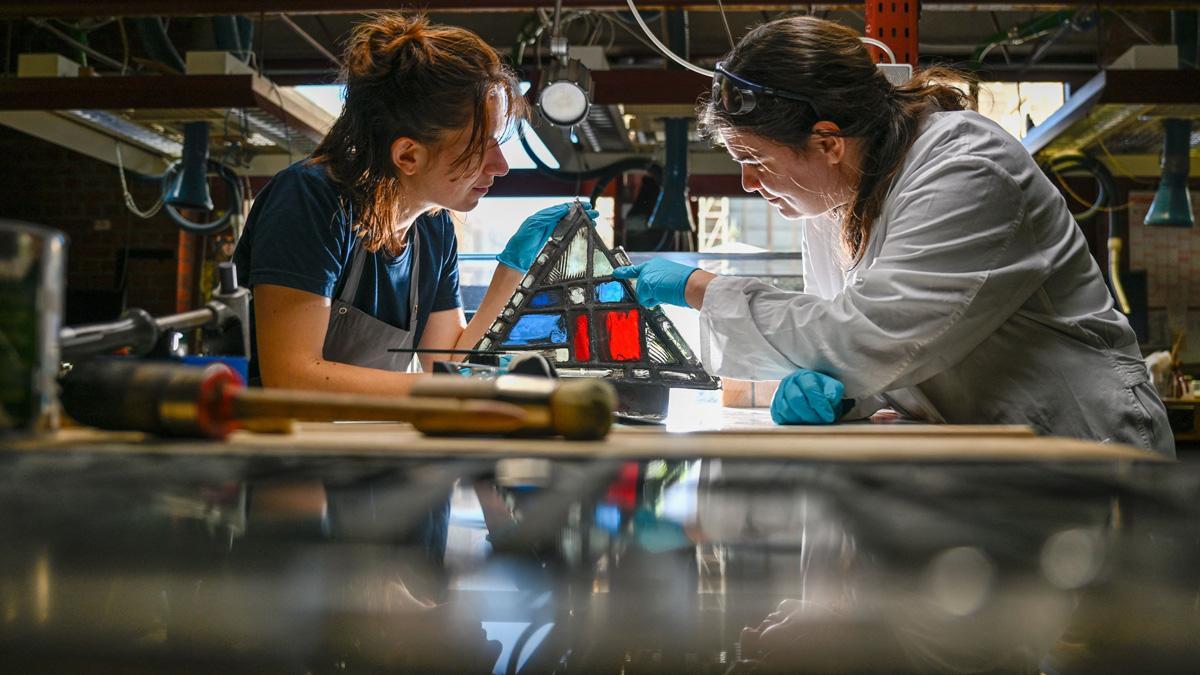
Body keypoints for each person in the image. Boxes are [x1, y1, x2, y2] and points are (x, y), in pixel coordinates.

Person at [613, 16, 1173, 456]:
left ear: (828, 141)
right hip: (983, 451)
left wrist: (702, 289)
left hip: (1078, 448)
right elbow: (853, 348)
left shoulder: (967, 169)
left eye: (755, 159)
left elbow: (870, 335)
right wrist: (840, 393)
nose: (747, 182)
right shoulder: (831, 199)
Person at [232, 13, 595, 393]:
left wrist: (512, 273)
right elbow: (292, 376)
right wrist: (454, 388)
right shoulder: (310, 201)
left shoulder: (433, 226)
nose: (501, 166)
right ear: (408, 156)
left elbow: (451, 363)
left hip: (362, 442)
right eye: (481, 147)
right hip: (273, 445)